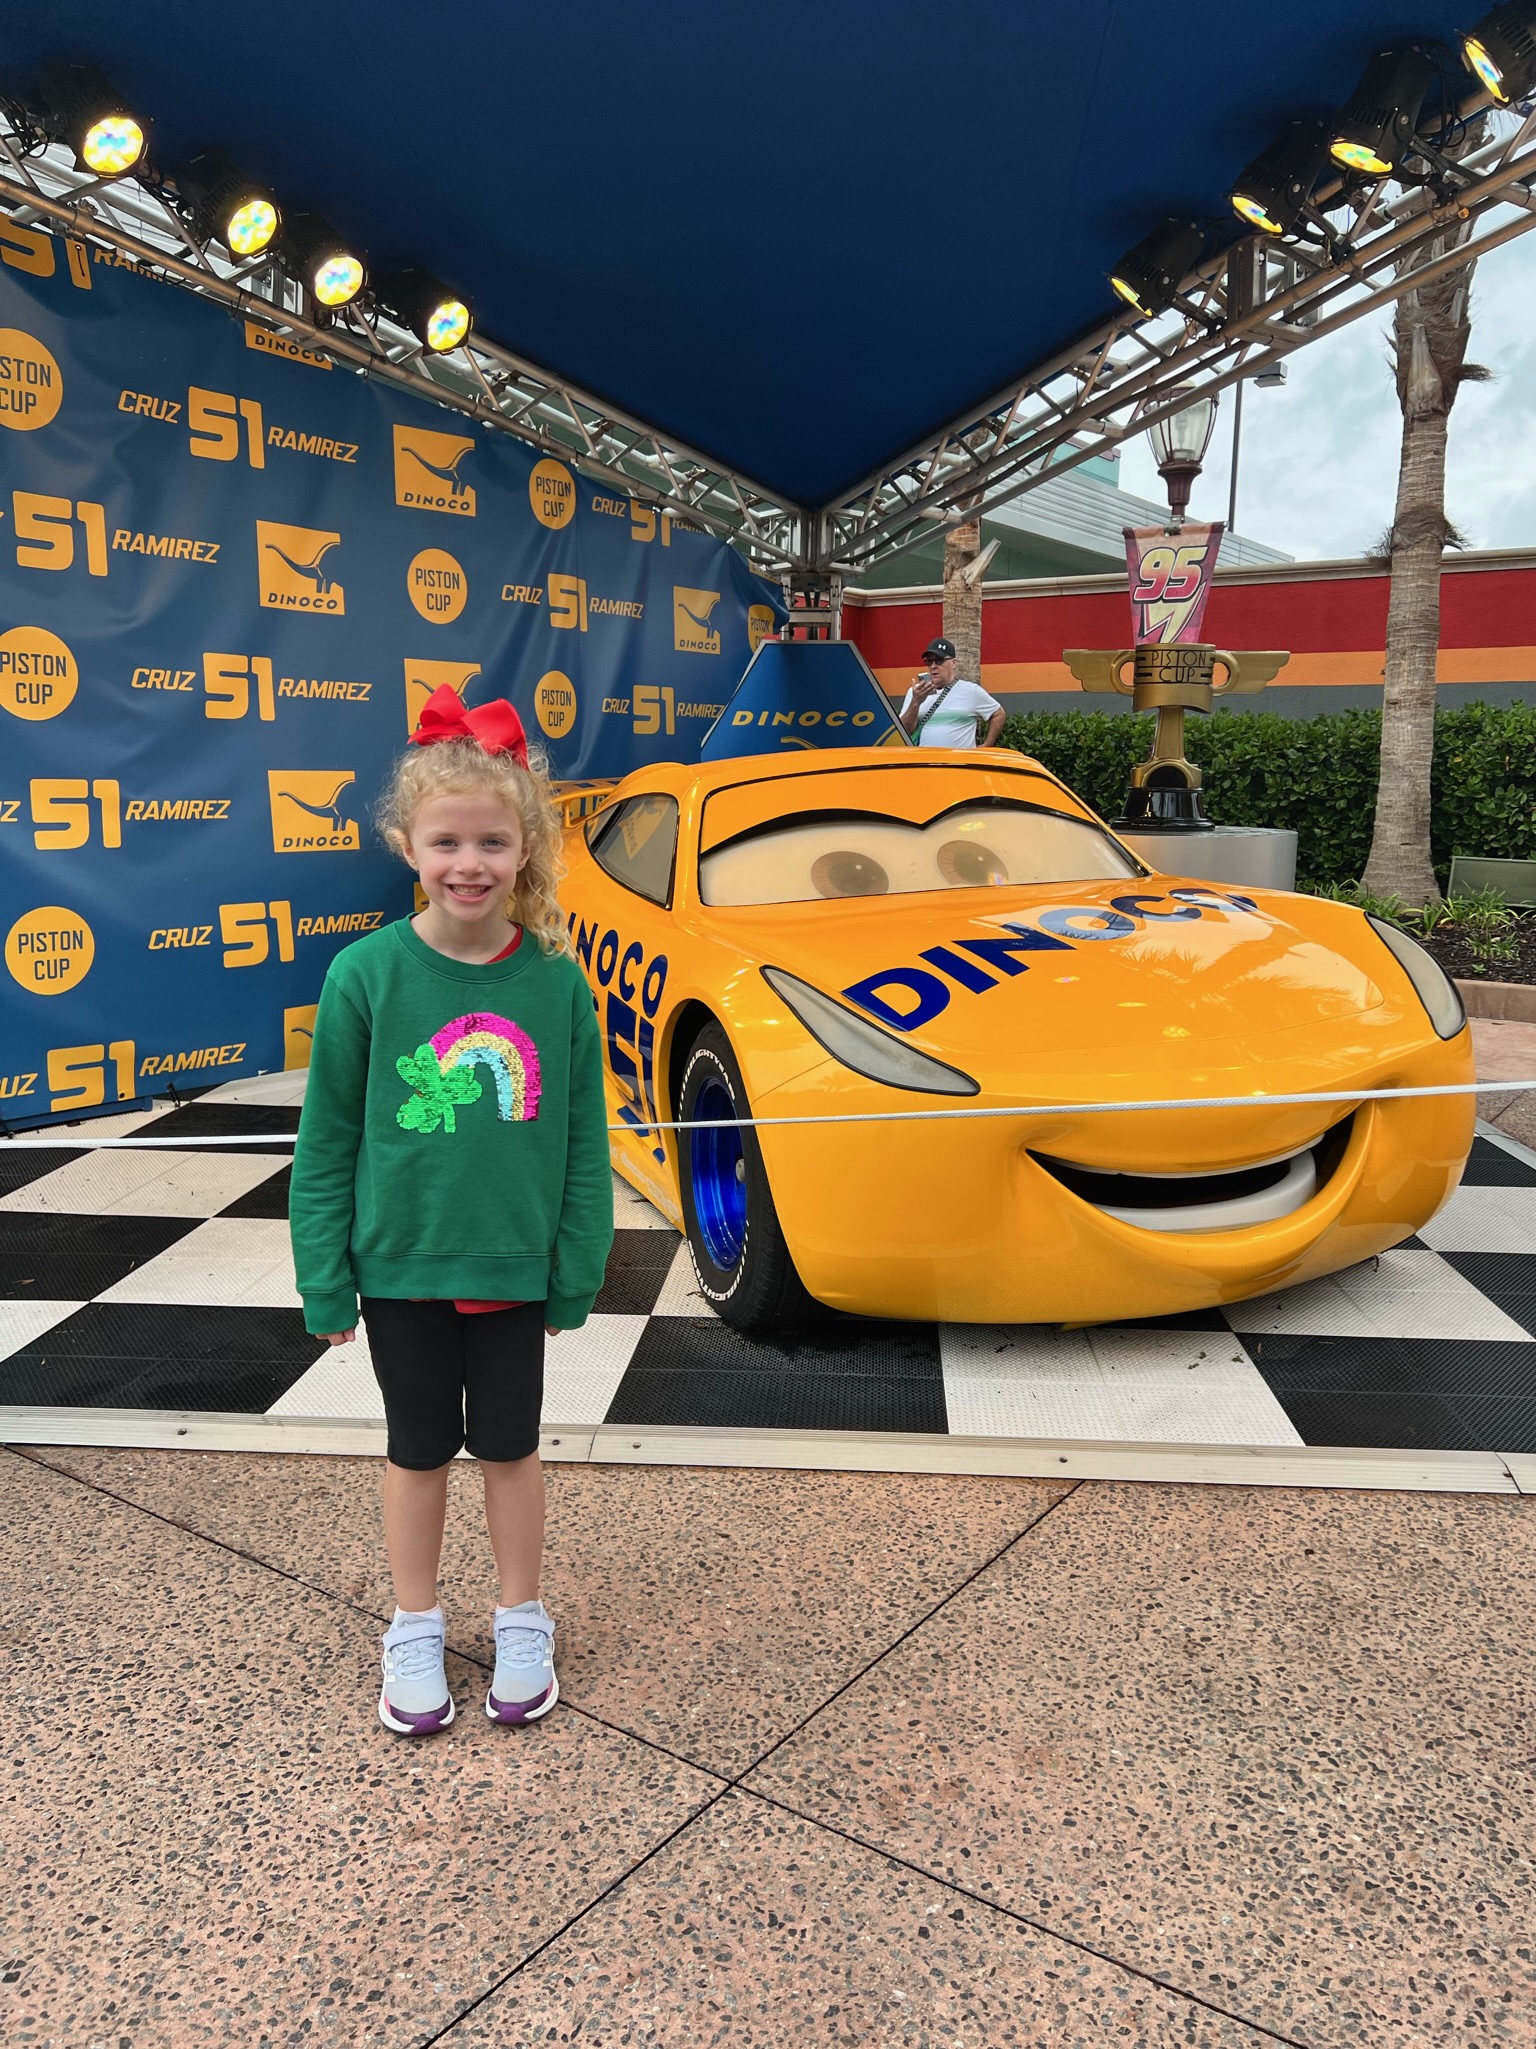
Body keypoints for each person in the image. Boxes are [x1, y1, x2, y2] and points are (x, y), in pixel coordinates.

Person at [288, 686, 612, 1737]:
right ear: (407, 845)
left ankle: (522, 1616)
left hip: (515, 1266)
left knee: (511, 1446)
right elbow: (327, 1141)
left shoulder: (558, 984)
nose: (468, 863)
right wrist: (323, 1275)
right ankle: (415, 1622)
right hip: (401, 1269)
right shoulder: (365, 975)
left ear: (527, 849)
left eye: (491, 842)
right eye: (446, 842)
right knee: (418, 1447)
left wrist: (577, 1265)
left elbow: (583, 1141)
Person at [898, 636, 1005, 749]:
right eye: (929, 661)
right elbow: (904, 731)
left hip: (959, 760)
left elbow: (998, 714)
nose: (933, 666)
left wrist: (987, 745)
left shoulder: (971, 691)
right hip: (925, 759)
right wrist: (916, 702)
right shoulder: (915, 693)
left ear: (953, 663)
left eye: (939, 660)